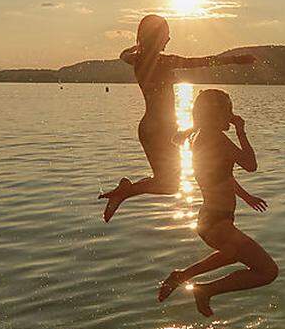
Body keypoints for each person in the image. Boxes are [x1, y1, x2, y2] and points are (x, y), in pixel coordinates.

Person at [99, 15, 255, 221]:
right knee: (170, 184)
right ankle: (125, 191)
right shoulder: (164, 61)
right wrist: (234, 60)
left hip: (149, 127)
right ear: (156, 37)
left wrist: (139, 45)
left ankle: (126, 190)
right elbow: (201, 62)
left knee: (167, 182)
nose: (169, 39)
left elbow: (123, 54)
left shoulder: (136, 59)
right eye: (165, 34)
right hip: (161, 129)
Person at [157, 89, 277, 316]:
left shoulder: (200, 136)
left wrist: (247, 197)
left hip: (213, 219)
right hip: (216, 220)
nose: (231, 115)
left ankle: (192, 283)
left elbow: (222, 177)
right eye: (227, 110)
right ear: (215, 114)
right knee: (262, 267)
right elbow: (250, 165)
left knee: (247, 261)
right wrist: (241, 131)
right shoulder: (216, 139)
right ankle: (194, 284)